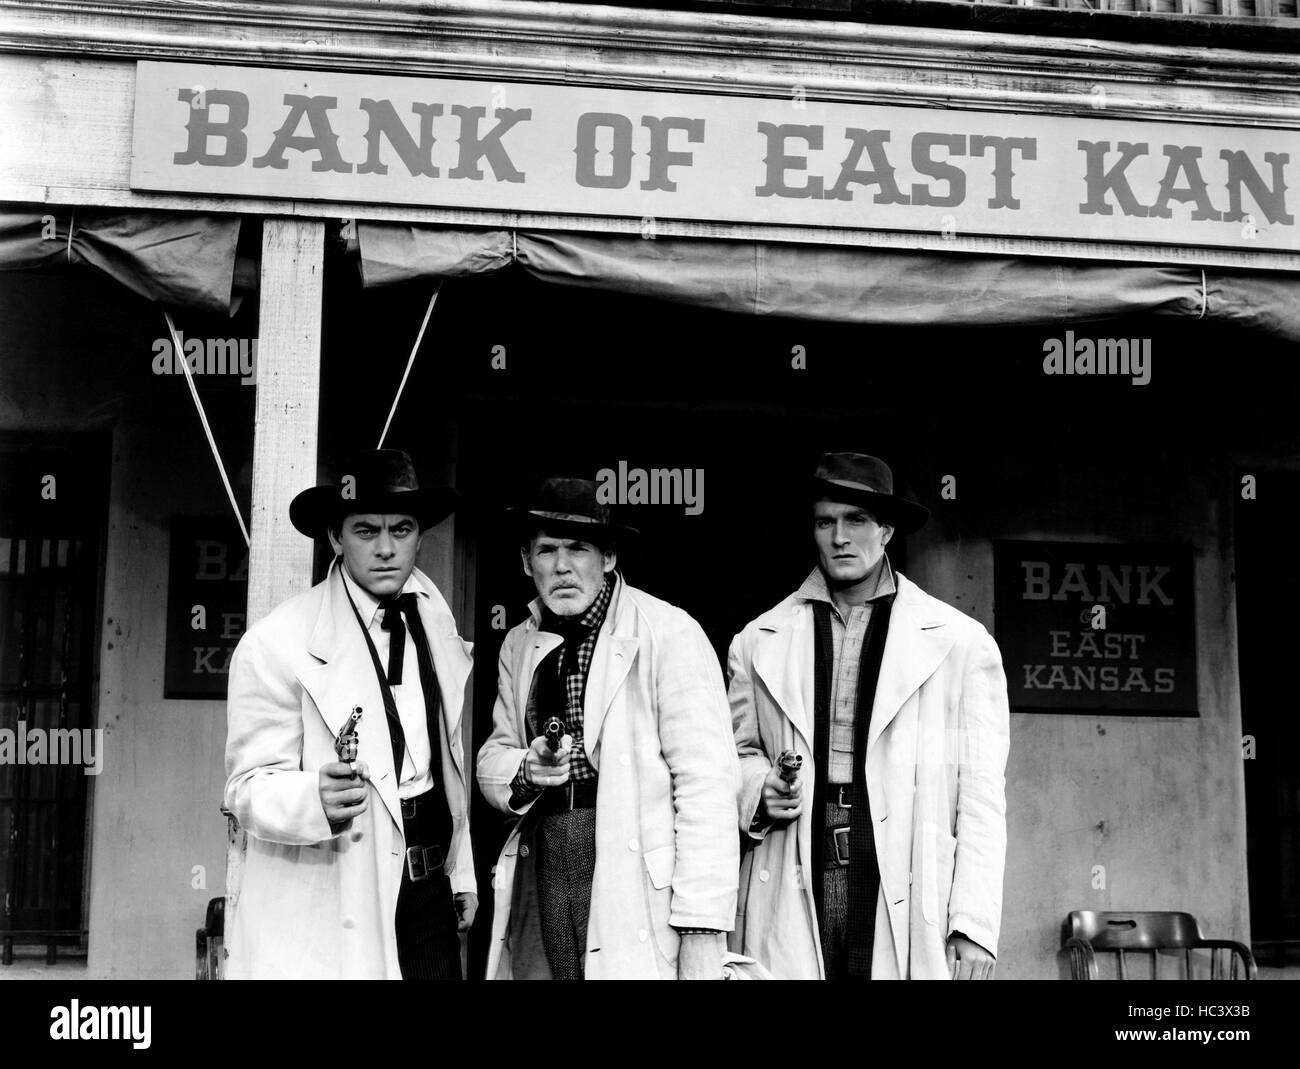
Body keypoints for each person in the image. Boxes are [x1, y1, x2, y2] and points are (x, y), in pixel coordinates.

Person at [727, 452, 1010, 980]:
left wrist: (971, 924)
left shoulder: (960, 645)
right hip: (795, 860)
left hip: (899, 868)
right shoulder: (758, 640)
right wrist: (757, 789)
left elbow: (980, 797)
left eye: (856, 520)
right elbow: (736, 756)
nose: (840, 537)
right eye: (825, 521)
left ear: (886, 530)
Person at [224, 449, 476, 979]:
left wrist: (462, 874)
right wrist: (310, 796)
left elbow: (445, 755)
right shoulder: (277, 644)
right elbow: (244, 790)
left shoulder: (433, 617)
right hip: (343, 887)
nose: (386, 549)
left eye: (401, 529)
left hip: (429, 887)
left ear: (419, 535)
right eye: (365, 531)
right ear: (335, 538)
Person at [476, 476, 739, 980]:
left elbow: (706, 786)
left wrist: (704, 926)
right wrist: (526, 769)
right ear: (526, 561)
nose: (562, 566)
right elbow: (494, 756)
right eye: (546, 550)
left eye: (578, 548)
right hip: (548, 849)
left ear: (609, 558)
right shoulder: (517, 642)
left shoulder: (668, 631)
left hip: (630, 862)